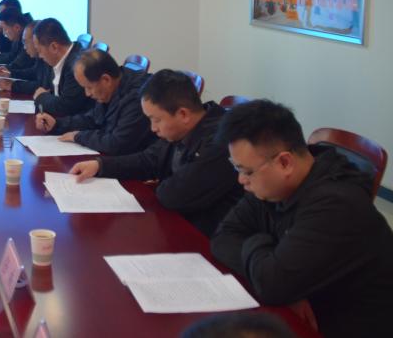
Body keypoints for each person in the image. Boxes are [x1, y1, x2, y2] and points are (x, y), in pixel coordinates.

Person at [211, 100, 393, 338]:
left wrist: (262, 249)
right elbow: (223, 236)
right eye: (238, 169)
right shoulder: (271, 185)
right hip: (304, 309)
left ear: (285, 162)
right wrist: (277, 272)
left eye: (247, 171)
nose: (241, 180)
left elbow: (272, 285)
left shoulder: (336, 205)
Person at [69, 69, 241, 235]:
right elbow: (148, 159)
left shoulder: (221, 143)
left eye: (156, 120)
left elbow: (173, 195)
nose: (153, 128)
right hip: (176, 222)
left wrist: (157, 185)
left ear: (183, 114)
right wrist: (100, 165)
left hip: (204, 236)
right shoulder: (180, 130)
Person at [38, 49, 155, 155]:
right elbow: (93, 119)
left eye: (89, 87)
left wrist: (78, 137)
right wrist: (57, 124)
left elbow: (117, 143)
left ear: (106, 80)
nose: (87, 94)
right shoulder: (110, 87)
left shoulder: (138, 97)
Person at [30, 18, 93, 118]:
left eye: (40, 51)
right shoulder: (60, 59)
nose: (40, 56)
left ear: (54, 47)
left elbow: (66, 106)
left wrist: (41, 97)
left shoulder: (77, 65)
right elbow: (51, 91)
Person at [0, 19, 42, 95]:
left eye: (25, 42)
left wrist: (12, 85)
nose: (25, 47)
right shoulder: (41, 59)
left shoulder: (49, 59)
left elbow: (43, 86)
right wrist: (9, 74)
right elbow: (33, 72)